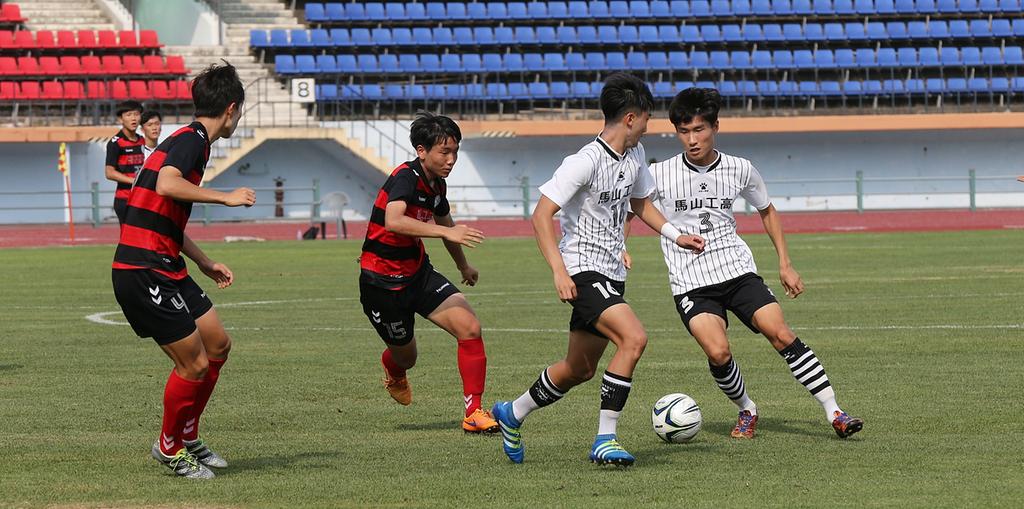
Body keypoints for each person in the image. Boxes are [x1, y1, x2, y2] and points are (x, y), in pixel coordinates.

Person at [491, 73, 705, 466]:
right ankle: (605, 439)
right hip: (582, 270)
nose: (647, 126)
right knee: (634, 339)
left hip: (611, 274)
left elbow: (640, 204)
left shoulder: (635, 156)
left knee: (579, 368)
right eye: (646, 118)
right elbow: (541, 216)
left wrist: (676, 235)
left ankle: (512, 412)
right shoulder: (583, 161)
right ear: (630, 118)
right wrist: (559, 270)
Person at [646, 87, 863, 440]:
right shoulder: (659, 173)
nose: (691, 139)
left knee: (780, 333)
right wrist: (623, 246)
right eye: (683, 132)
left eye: (699, 130)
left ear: (715, 126)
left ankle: (834, 411)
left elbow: (767, 210)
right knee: (718, 351)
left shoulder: (740, 168)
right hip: (690, 280)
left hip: (736, 269)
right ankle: (747, 408)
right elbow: (635, 207)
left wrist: (785, 263)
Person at [111, 63, 256, 479]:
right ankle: (169, 446)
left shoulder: (189, 141)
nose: (239, 117)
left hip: (166, 261)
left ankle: (187, 434)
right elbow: (167, 186)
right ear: (231, 109)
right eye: (240, 111)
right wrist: (225, 197)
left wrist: (204, 261)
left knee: (218, 345)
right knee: (192, 364)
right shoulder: (191, 141)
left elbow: (164, 214)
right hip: (142, 269)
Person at [358, 112, 499, 434]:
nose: (451, 160)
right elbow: (394, 220)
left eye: (455, 152)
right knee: (406, 358)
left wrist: (463, 265)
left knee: (470, 328)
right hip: (382, 283)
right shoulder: (406, 177)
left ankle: (473, 413)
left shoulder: (437, 184)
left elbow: (448, 227)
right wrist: (445, 234)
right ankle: (394, 369)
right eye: (444, 152)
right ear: (422, 150)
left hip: (418, 273)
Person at [104, 100, 145, 224]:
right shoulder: (115, 143)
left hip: (142, 197)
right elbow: (109, 173)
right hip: (125, 198)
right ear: (120, 119)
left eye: (136, 114)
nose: (133, 118)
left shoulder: (143, 140)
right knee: (130, 238)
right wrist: (134, 181)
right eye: (129, 115)